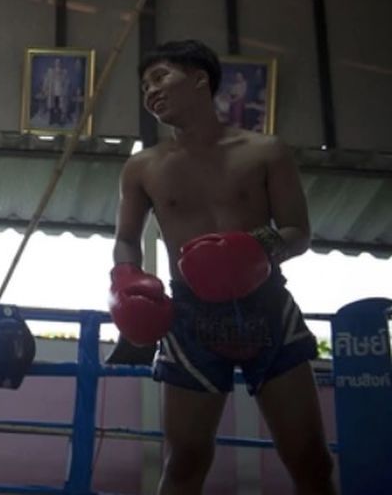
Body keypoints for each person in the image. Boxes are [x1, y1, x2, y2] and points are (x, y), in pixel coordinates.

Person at [110, 40, 335, 494]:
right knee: (186, 460)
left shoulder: (266, 151)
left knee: (310, 458)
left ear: (200, 80)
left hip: (267, 308)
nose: (150, 91)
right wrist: (125, 278)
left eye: (160, 77)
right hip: (192, 318)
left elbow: (298, 231)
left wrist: (254, 250)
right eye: (144, 86)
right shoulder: (142, 167)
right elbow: (126, 241)